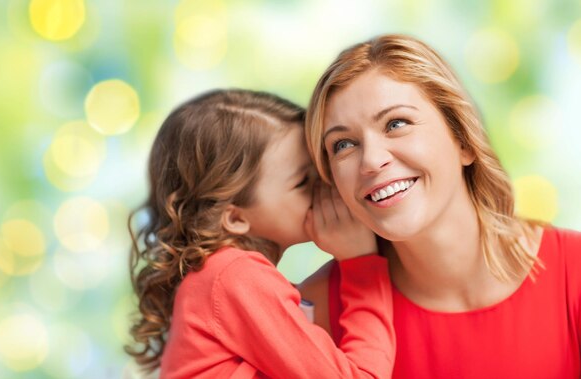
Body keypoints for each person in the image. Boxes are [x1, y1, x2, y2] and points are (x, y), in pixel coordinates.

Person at [300, 34, 581, 378]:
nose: (371, 161)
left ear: (463, 140)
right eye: (343, 144)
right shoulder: (316, 307)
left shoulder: (574, 272)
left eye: (396, 124)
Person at [125, 89, 396, 378]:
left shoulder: (218, 277)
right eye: (304, 181)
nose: (325, 185)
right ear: (234, 217)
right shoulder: (235, 276)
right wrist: (361, 263)